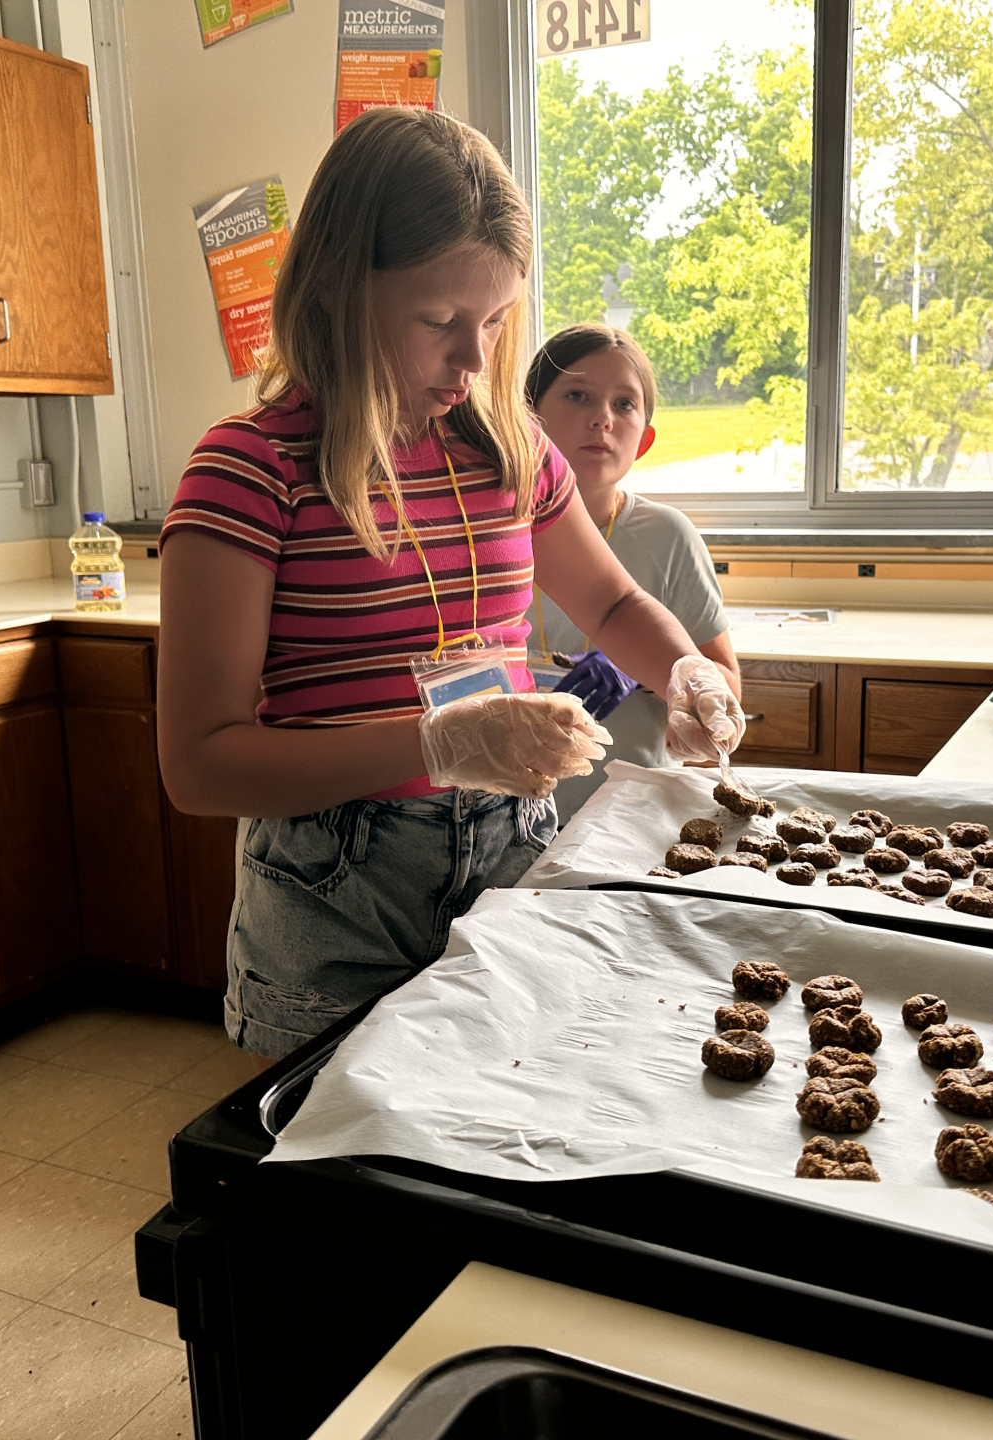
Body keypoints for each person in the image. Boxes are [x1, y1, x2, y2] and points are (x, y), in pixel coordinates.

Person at [154, 108, 745, 1066]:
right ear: (344, 291)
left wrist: (684, 672)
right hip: (337, 893)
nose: (475, 360)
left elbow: (611, 604)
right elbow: (200, 765)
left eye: (497, 321)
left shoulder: (507, 451)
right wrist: (432, 743)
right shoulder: (249, 472)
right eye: (441, 322)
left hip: (515, 852)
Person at [525, 325, 740, 816]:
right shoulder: (488, 532)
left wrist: (645, 669)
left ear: (643, 440)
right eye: (578, 395)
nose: (602, 418)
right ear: (527, 418)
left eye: (624, 404)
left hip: (632, 812)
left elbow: (724, 686)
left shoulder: (667, 536)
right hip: (504, 817)